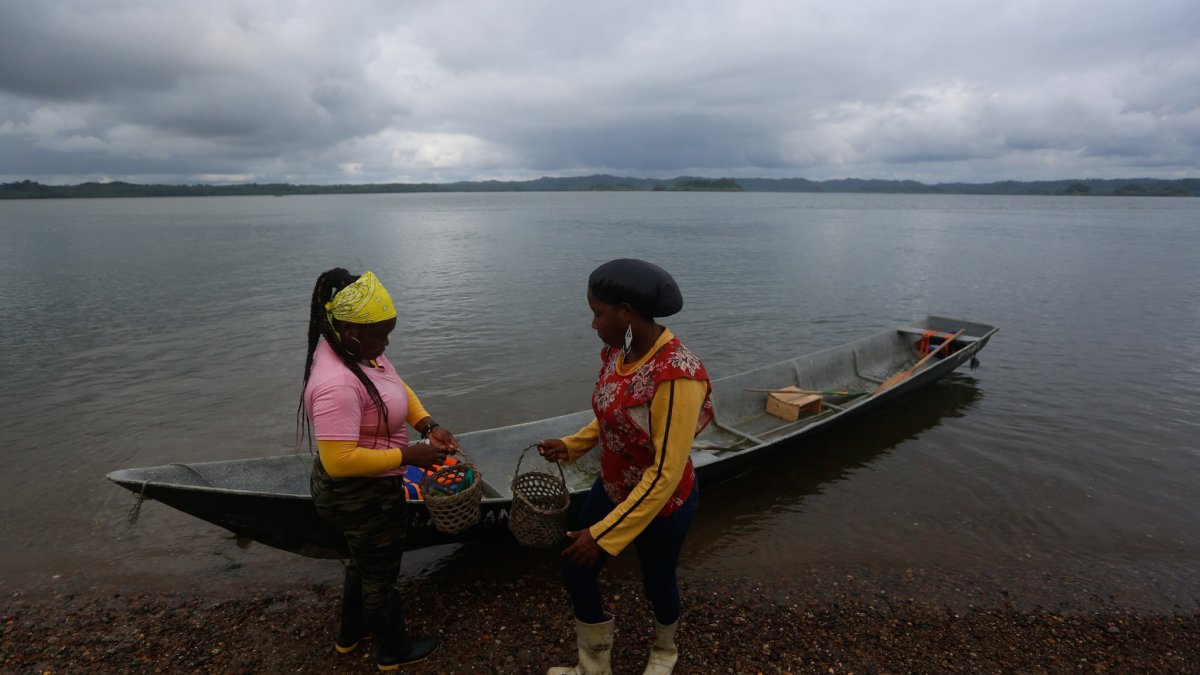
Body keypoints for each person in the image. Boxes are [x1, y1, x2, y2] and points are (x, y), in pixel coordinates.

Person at [538, 259, 713, 675]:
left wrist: (602, 534)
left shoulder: (676, 375)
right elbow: (613, 414)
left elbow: (666, 474)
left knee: (657, 581)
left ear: (626, 313)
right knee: (575, 568)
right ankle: (593, 666)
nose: (594, 324)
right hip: (614, 485)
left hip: (663, 503)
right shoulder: (620, 352)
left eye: (599, 313)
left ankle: (665, 650)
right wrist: (572, 445)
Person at [298, 268, 460, 671]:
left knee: (362, 561)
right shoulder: (337, 383)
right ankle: (393, 650)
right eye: (380, 335)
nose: (386, 343)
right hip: (359, 494)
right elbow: (340, 462)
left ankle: (349, 636)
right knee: (381, 577)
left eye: (388, 334)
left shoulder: (356, 350)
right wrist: (408, 457)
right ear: (349, 329)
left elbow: (395, 385)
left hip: (365, 489)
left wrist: (428, 425)